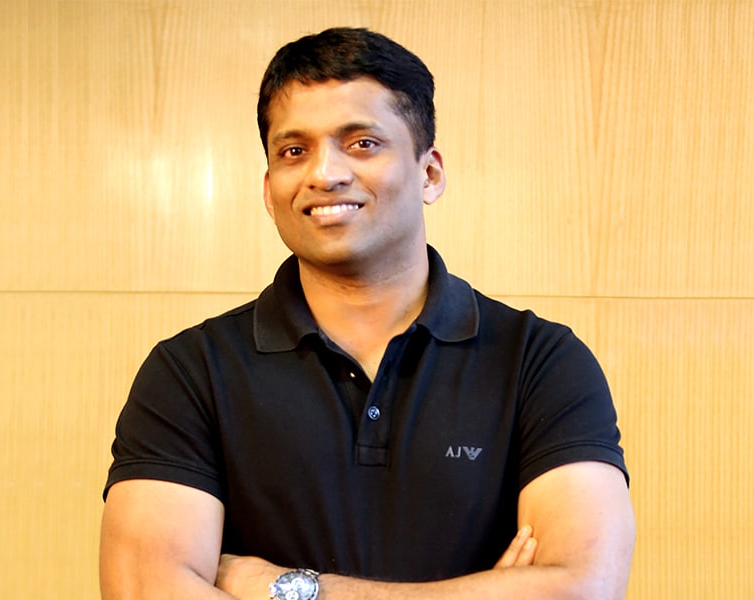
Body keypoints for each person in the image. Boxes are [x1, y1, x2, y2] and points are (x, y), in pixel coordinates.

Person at [100, 27, 635, 600]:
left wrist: (283, 588)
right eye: (294, 151)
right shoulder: (190, 371)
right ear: (269, 189)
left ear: (429, 173)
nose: (324, 174)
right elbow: (142, 590)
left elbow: (582, 589)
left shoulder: (539, 361)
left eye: (361, 143)